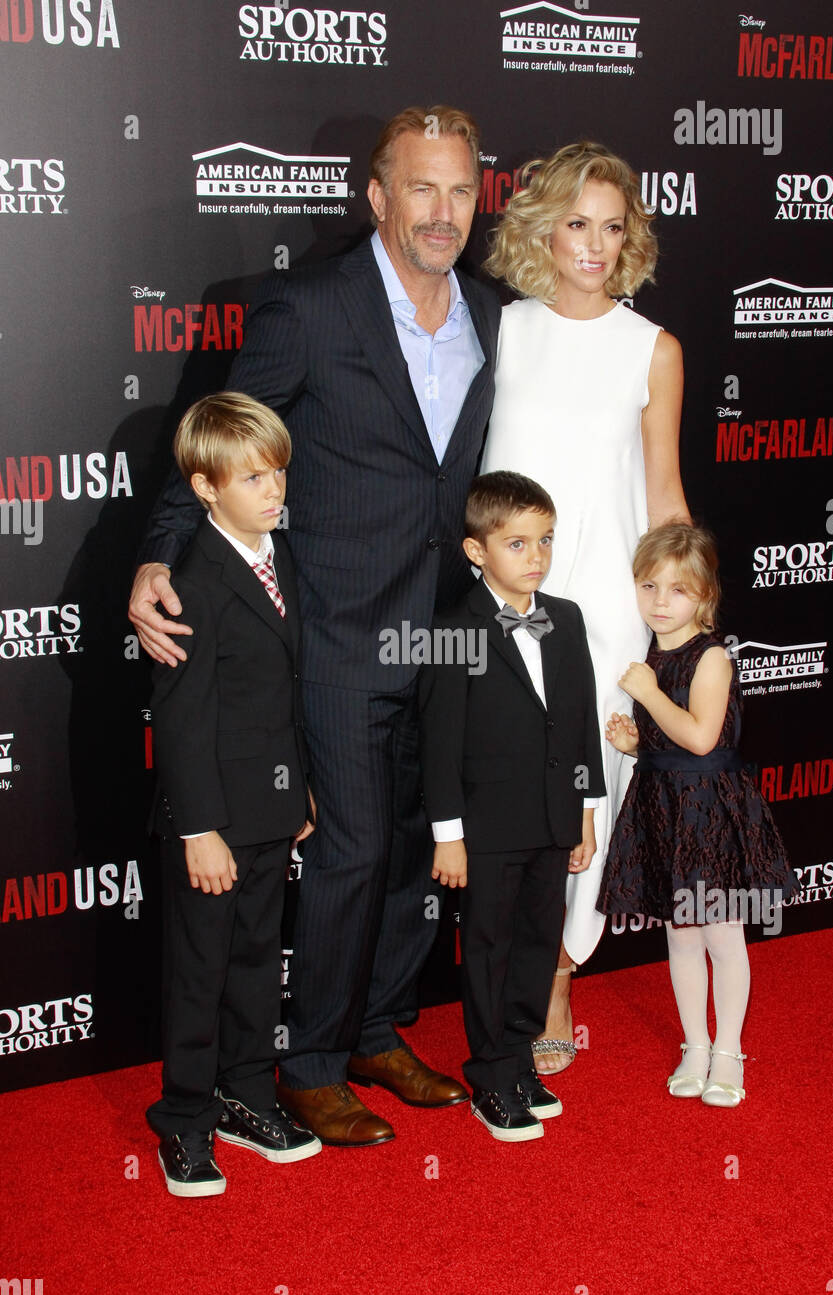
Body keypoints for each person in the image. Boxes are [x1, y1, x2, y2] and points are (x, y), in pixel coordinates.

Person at [129, 107, 501, 1145]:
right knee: (345, 851)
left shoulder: (490, 311)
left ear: (481, 200)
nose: (441, 211)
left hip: (444, 633)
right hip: (338, 627)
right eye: (419, 189)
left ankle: (379, 1026)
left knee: (408, 849)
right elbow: (218, 443)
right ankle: (310, 1062)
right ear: (377, 197)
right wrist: (160, 554)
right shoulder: (309, 305)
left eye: (460, 190)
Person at [480, 140, 690, 1072]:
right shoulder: (502, 330)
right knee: (499, 788)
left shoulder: (654, 350)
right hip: (499, 604)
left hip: (605, 607)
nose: (594, 245)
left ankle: (560, 972)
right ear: (541, 228)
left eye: (612, 226)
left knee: (590, 797)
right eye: (576, 223)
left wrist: (684, 621)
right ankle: (496, 971)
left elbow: (666, 495)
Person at [146, 392, 321, 1195]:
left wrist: (301, 793)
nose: (273, 490)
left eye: (277, 472)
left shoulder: (280, 556)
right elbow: (181, 721)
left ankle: (247, 1094)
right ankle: (184, 1119)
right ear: (205, 487)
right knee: (201, 969)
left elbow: (284, 693)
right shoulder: (193, 581)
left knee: (256, 961)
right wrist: (199, 830)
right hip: (212, 821)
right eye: (252, 478)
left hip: (271, 808)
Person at [418, 473, 605, 1139]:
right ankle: (490, 1074)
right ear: (477, 551)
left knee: (534, 943)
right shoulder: (451, 630)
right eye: (518, 543)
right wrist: (448, 835)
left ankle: (519, 1055)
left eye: (545, 541)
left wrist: (585, 810)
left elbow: (580, 720)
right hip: (487, 831)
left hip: (554, 819)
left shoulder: (568, 618)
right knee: (490, 948)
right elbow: (438, 745)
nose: (536, 556)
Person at [597, 524, 796, 1107]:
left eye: (678, 591)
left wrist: (650, 695)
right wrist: (638, 744)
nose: (661, 602)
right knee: (681, 936)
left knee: (723, 935)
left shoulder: (711, 658)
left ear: (705, 597)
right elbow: (673, 742)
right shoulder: (653, 653)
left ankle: (729, 1049)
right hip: (663, 805)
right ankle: (695, 1044)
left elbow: (705, 740)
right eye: (649, 586)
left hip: (711, 813)